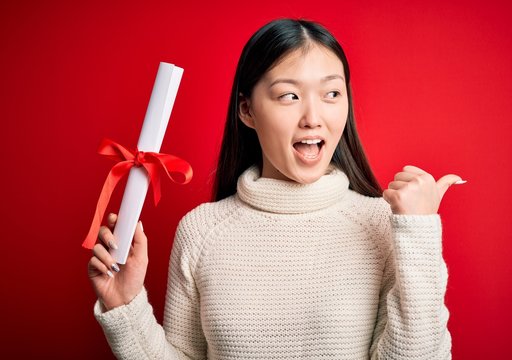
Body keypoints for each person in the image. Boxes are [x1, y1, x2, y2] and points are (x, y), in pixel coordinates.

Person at [88, 18, 463, 359]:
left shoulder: (382, 225)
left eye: (331, 94)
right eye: (289, 95)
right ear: (247, 110)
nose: (313, 118)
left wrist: (418, 235)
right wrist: (126, 307)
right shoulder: (200, 231)